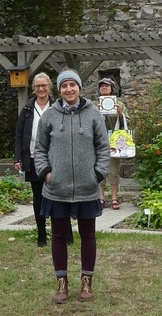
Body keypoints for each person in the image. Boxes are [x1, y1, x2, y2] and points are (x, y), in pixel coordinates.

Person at [34, 69, 110, 303]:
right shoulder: (49, 116)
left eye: (72, 85)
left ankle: (87, 283)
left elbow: (103, 148)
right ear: (59, 89)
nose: (69, 89)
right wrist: (47, 174)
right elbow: (40, 150)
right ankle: (62, 284)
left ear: (79, 87)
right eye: (64, 85)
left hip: (87, 188)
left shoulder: (93, 114)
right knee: (58, 236)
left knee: (88, 236)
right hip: (57, 188)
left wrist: (96, 174)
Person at [15, 72, 54, 247]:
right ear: (33, 89)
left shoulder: (58, 106)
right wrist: (18, 157)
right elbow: (19, 134)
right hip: (33, 158)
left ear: (50, 87)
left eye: (44, 85)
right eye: (37, 86)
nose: (41, 89)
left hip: (56, 158)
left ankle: (64, 232)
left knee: (59, 197)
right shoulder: (28, 109)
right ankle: (41, 235)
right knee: (38, 198)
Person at [97, 77, 127, 209]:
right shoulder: (94, 104)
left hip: (115, 140)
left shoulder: (119, 104)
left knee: (113, 170)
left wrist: (121, 114)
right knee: (99, 169)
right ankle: (101, 197)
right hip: (98, 141)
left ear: (112, 89)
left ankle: (114, 197)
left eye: (107, 86)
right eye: (102, 86)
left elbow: (128, 123)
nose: (104, 88)